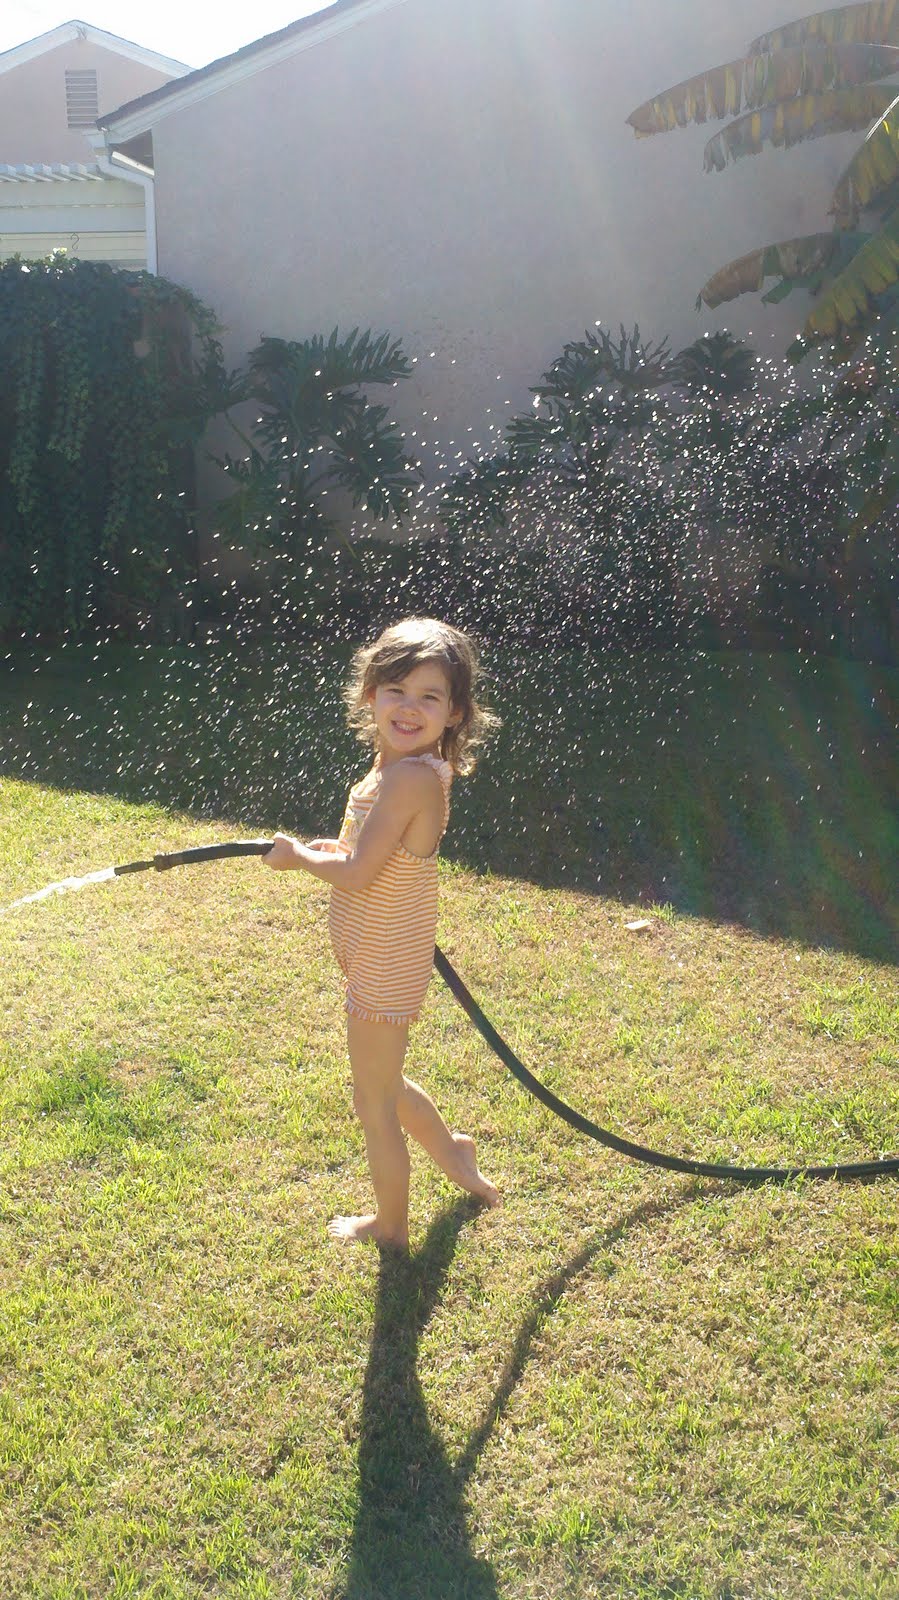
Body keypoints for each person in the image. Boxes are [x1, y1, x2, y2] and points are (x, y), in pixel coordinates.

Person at [263, 617, 501, 1249]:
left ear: (454, 714)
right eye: (396, 690)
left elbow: (362, 874)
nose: (409, 707)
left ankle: (391, 1227)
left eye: (430, 696)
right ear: (371, 694)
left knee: (372, 1101)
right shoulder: (391, 767)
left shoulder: (412, 778)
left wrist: (300, 858)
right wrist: (335, 848)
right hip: (374, 950)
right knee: (385, 1084)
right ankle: (454, 1151)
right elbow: (370, 851)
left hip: (386, 960)